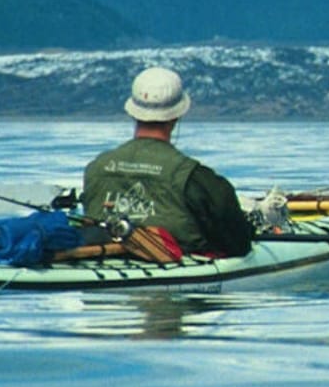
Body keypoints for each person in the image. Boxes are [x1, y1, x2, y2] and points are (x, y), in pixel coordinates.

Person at [81, 66, 255, 259]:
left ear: (133, 112)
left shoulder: (96, 168)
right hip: (180, 266)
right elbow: (239, 245)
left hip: (101, 257)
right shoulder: (196, 177)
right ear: (177, 115)